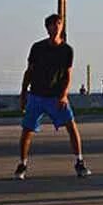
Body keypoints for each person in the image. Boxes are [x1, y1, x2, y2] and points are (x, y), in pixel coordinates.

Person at [14, 13, 91, 180]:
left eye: (58, 24)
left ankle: (79, 162)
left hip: (56, 97)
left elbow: (67, 75)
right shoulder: (37, 48)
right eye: (52, 25)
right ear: (47, 28)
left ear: (61, 27)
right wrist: (23, 93)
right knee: (27, 130)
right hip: (36, 95)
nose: (56, 28)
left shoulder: (66, 50)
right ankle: (22, 164)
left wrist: (63, 95)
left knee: (71, 126)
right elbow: (29, 71)